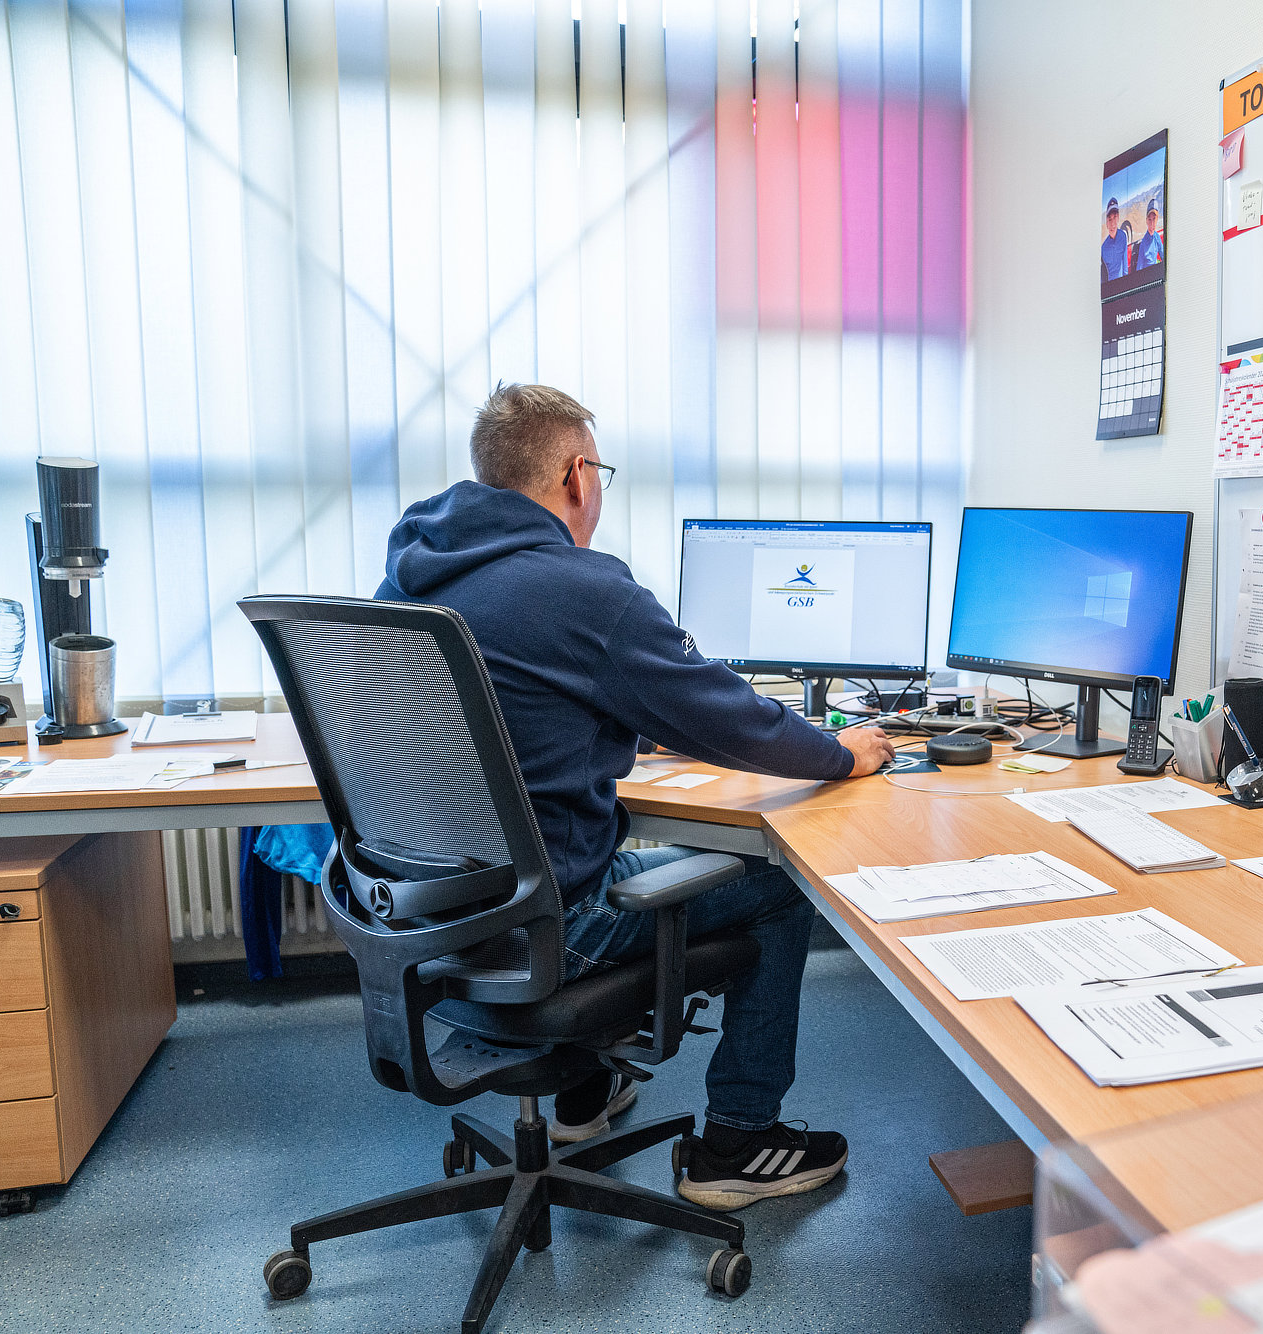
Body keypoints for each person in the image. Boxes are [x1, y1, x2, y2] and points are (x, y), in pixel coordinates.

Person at [376, 383, 895, 1212]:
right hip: (551, 925)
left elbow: (514, 705)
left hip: (435, 915)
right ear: (579, 475)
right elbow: (730, 716)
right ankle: (738, 1140)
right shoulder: (586, 590)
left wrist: (627, 712)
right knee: (776, 881)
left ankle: (584, 1088)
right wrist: (841, 754)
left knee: (630, 858)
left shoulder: (410, 576)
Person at [1100, 197, 1129, 280]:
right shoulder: (1103, 248)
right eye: (1110, 219)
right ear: (1106, 223)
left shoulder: (1123, 236)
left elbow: (1125, 263)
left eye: (1115, 217)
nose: (1113, 223)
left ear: (1118, 218)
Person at [1134, 198, 1164, 270]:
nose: (1152, 223)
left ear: (1157, 219)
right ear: (1146, 221)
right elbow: (1139, 268)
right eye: (1149, 219)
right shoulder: (1143, 243)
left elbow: (1163, 255)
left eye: (1154, 219)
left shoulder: (1157, 236)